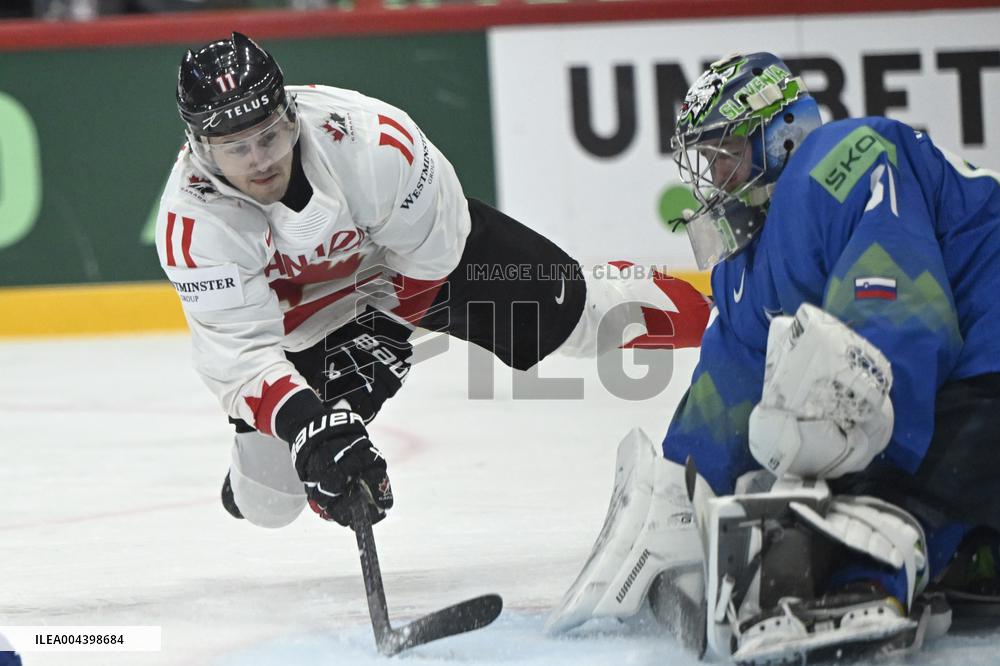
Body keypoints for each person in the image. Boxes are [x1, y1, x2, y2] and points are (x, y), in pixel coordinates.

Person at [155, 33, 711, 532]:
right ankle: (258, 465)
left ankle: (721, 314)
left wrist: (387, 336)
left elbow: (436, 248)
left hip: (411, 270)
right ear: (202, 150)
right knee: (269, 505)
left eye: (270, 136)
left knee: (587, 321)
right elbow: (242, 357)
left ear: (291, 114)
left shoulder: (373, 143)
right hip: (306, 329)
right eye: (235, 148)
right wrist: (313, 427)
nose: (260, 162)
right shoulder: (193, 226)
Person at [547, 52, 1000, 664]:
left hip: (986, 354)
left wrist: (870, 477)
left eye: (725, 153)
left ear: (782, 134)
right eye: (706, 162)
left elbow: (899, 304)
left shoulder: (845, 154)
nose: (714, 177)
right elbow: (725, 393)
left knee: (877, 488)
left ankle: (880, 572)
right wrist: (681, 506)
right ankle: (971, 548)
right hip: (966, 369)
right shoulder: (746, 268)